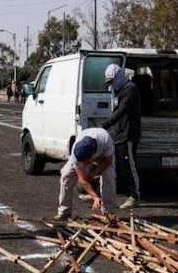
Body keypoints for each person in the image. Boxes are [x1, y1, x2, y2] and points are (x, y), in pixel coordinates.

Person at [101, 64, 141, 209]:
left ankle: (135, 195)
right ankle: (111, 192)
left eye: (112, 81)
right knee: (119, 166)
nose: (110, 85)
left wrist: (104, 125)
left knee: (130, 165)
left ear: (118, 77)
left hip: (128, 134)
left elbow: (121, 111)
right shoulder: (117, 91)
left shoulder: (130, 89)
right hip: (118, 133)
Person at [55, 127, 117, 221]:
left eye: (86, 161)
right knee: (66, 175)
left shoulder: (105, 140)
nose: (84, 164)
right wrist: (95, 197)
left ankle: (109, 212)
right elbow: (82, 180)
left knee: (109, 175)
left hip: (103, 156)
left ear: (92, 153)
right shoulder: (77, 152)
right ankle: (65, 211)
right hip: (85, 155)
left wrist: (94, 172)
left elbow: (108, 161)